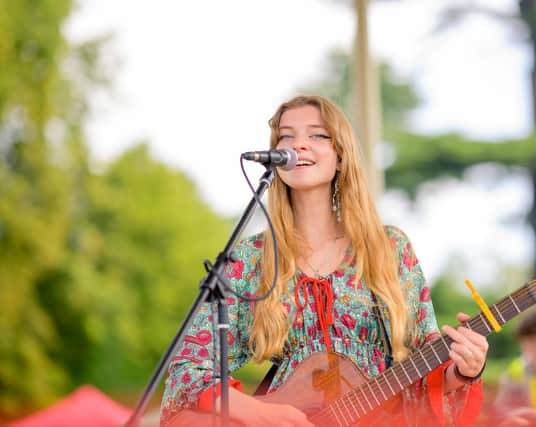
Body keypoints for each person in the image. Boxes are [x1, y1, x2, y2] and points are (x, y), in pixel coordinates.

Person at [159, 95, 488, 426]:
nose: (298, 144)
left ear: (340, 157)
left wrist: (463, 370)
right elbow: (187, 370)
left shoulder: (389, 248)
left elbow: (424, 373)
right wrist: (256, 412)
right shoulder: (252, 258)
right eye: (286, 136)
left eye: (316, 135)